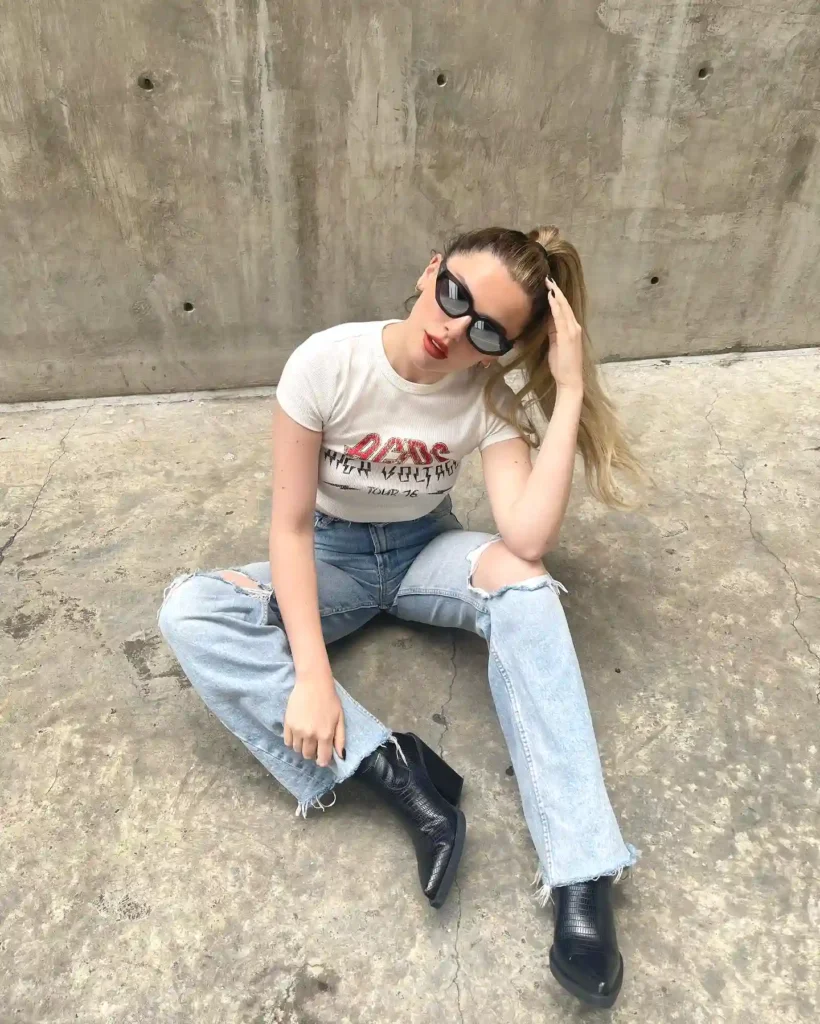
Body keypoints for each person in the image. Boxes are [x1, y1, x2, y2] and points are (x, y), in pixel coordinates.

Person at [158, 226, 641, 1008]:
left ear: (505, 346)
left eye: (486, 327)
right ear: (429, 270)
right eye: (454, 295)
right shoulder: (328, 363)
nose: (453, 330)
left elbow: (524, 536)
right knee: (192, 609)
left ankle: (583, 872)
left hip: (425, 553)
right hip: (332, 558)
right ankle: (396, 771)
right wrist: (312, 677)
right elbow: (287, 529)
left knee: (526, 584)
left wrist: (571, 390)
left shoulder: (487, 399)